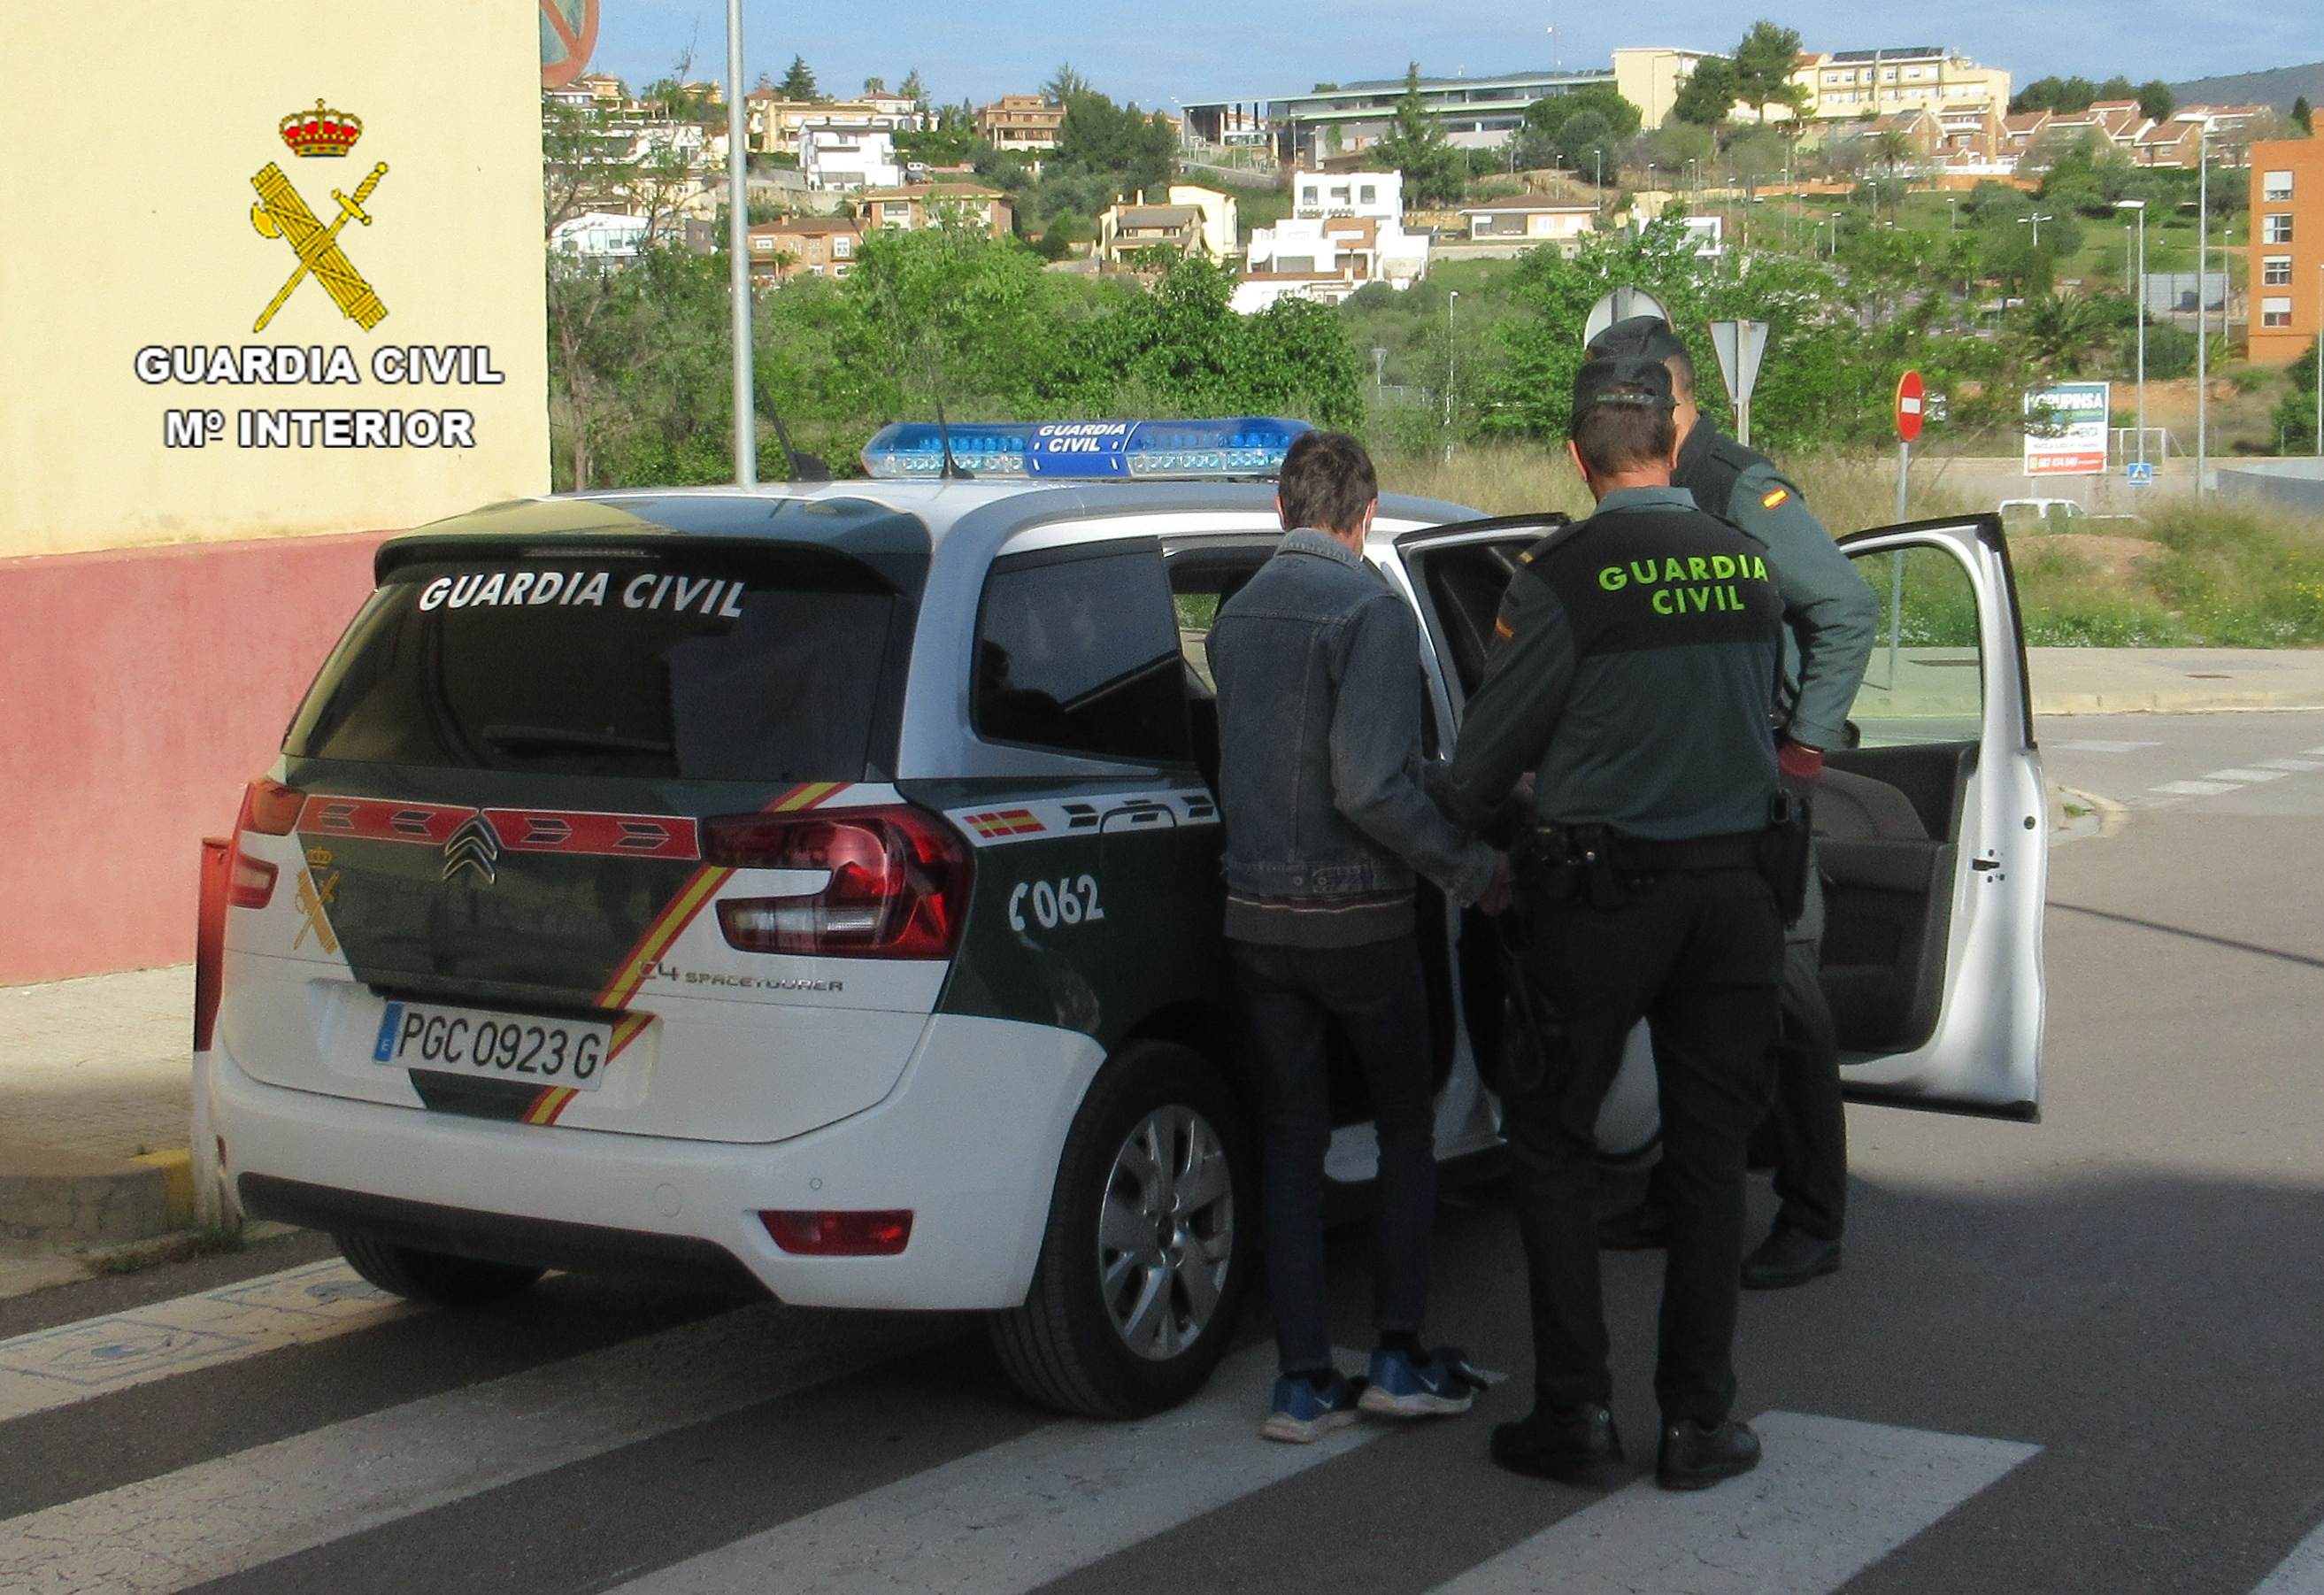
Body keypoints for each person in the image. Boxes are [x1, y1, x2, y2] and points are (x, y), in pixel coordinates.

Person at [1436, 356, 1789, 1491]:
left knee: (1550, 1140)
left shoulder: (1564, 577)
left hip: (1601, 899)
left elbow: (1482, 760)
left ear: (1578, 460)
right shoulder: (1749, 564)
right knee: (1707, 1154)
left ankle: (1575, 1414)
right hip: (1733, 898)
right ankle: (1698, 1422)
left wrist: (1486, 792)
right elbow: (1757, 717)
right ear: (1674, 449)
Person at [1208, 429, 1506, 1444]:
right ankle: (1394, 1354)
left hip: (1254, 922)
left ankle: (1299, 1381)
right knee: (1404, 1125)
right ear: (1365, 514)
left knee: (1289, 1139)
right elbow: (1367, 782)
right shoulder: (1370, 610)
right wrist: (1473, 867)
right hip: (1359, 924)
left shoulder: (1234, 618)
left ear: (1281, 511)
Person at [1584, 315, 1879, 1291]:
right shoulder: (1671, 482)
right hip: (1704, 779)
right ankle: (1682, 1189)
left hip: (1761, 779)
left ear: (1673, 396)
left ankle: (1812, 1213)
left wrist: (1802, 752)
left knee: (1789, 1002)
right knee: (1694, 1002)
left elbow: (1842, 606)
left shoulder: (1737, 485)